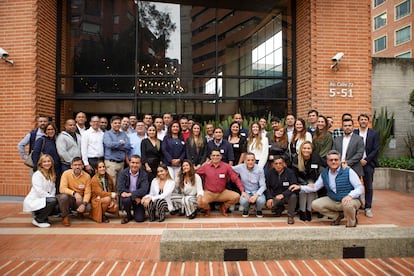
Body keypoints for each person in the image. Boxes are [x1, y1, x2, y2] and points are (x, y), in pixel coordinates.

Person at [290, 150, 363, 227]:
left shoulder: (348, 171)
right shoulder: (324, 173)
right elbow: (315, 187)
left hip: (350, 200)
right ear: (327, 162)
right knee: (315, 204)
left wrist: (350, 196)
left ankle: (351, 222)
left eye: (336, 160)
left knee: (348, 205)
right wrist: (300, 187)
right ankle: (337, 216)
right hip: (334, 200)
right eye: (331, 160)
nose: (333, 162)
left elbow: (360, 188)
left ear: (340, 161)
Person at [197, 149, 245, 217]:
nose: (215, 157)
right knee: (200, 202)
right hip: (209, 193)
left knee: (237, 197)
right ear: (210, 156)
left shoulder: (226, 166)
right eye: (213, 155)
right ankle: (207, 209)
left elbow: (235, 178)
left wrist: (242, 190)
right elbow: (195, 175)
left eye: (217, 155)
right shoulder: (205, 167)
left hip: (222, 192)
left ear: (221, 157)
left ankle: (224, 207)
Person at [354, 113, 380, 218]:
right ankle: (356, 206)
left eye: (365, 119)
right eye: (361, 119)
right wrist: (358, 159)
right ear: (358, 121)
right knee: (354, 185)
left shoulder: (374, 133)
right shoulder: (354, 133)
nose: (363, 121)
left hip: (368, 163)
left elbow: (376, 149)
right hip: (356, 163)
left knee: (368, 186)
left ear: (368, 121)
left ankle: (368, 207)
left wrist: (366, 160)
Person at [292, 141, 324, 221]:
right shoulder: (296, 159)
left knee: (311, 189)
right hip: (300, 180)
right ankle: (302, 211)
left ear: (312, 150)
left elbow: (319, 172)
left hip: (312, 180)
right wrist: (305, 184)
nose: (306, 150)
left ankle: (309, 210)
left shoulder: (316, 157)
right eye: (304, 148)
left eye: (308, 148)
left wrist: (312, 183)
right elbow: (295, 175)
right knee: (303, 190)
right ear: (301, 149)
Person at [23, 154, 57, 228]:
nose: (47, 163)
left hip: (45, 198)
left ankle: (44, 217)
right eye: (44, 162)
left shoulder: (51, 174)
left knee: (56, 203)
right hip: (36, 199)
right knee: (52, 201)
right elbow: (39, 191)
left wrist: (52, 197)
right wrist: (51, 198)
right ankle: (38, 219)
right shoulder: (37, 175)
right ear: (41, 164)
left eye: (48, 161)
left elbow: (53, 188)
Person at [57, 157, 92, 226]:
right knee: (63, 197)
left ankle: (80, 212)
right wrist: (74, 193)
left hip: (80, 199)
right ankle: (65, 217)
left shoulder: (87, 176)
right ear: (71, 166)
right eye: (75, 165)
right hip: (69, 198)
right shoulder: (66, 174)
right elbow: (62, 189)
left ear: (82, 166)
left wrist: (84, 204)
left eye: (79, 165)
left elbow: (88, 192)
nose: (77, 167)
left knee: (89, 207)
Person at [265, 156, 298, 224]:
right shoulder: (269, 173)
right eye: (276, 163)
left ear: (284, 164)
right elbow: (267, 187)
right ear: (273, 165)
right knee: (270, 204)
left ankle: (290, 216)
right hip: (276, 196)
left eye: (280, 163)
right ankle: (279, 209)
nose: (278, 165)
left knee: (293, 196)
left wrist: (283, 195)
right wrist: (269, 198)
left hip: (287, 195)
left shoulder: (290, 172)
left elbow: (294, 187)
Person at [233, 153, 266, 218]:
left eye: (252, 160)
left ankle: (258, 209)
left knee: (261, 201)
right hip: (246, 192)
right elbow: (229, 168)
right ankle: (246, 209)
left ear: (255, 160)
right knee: (243, 201)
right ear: (245, 161)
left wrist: (256, 195)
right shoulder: (240, 167)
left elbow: (263, 186)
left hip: (256, 191)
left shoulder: (259, 169)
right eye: (248, 160)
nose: (250, 162)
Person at [117, 155, 149, 223]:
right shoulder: (123, 173)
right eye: (133, 162)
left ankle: (137, 211)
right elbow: (120, 188)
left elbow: (144, 189)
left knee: (139, 219)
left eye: (137, 163)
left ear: (140, 164)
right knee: (126, 200)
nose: (134, 165)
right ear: (129, 163)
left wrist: (131, 194)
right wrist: (133, 197)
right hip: (130, 198)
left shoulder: (144, 174)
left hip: (139, 199)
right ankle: (128, 215)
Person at [31, 123, 61, 192]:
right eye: (48, 129)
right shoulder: (41, 140)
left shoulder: (57, 140)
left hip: (56, 170)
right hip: (45, 169)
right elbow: (35, 153)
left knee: (55, 188)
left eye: (52, 129)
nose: (50, 131)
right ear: (45, 131)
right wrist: (36, 166)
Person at [103, 116, 131, 185]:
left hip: (121, 163)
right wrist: (121, 143)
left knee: (120, 183)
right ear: (111, 124)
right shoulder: (107, 134)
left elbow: (128, 146)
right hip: (111, 163)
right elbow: (109, 144)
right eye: (115, 123)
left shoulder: (123, 134)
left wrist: (116, 145)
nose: (117, 124)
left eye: (119, 123)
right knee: (111, 183)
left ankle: (118, 196)